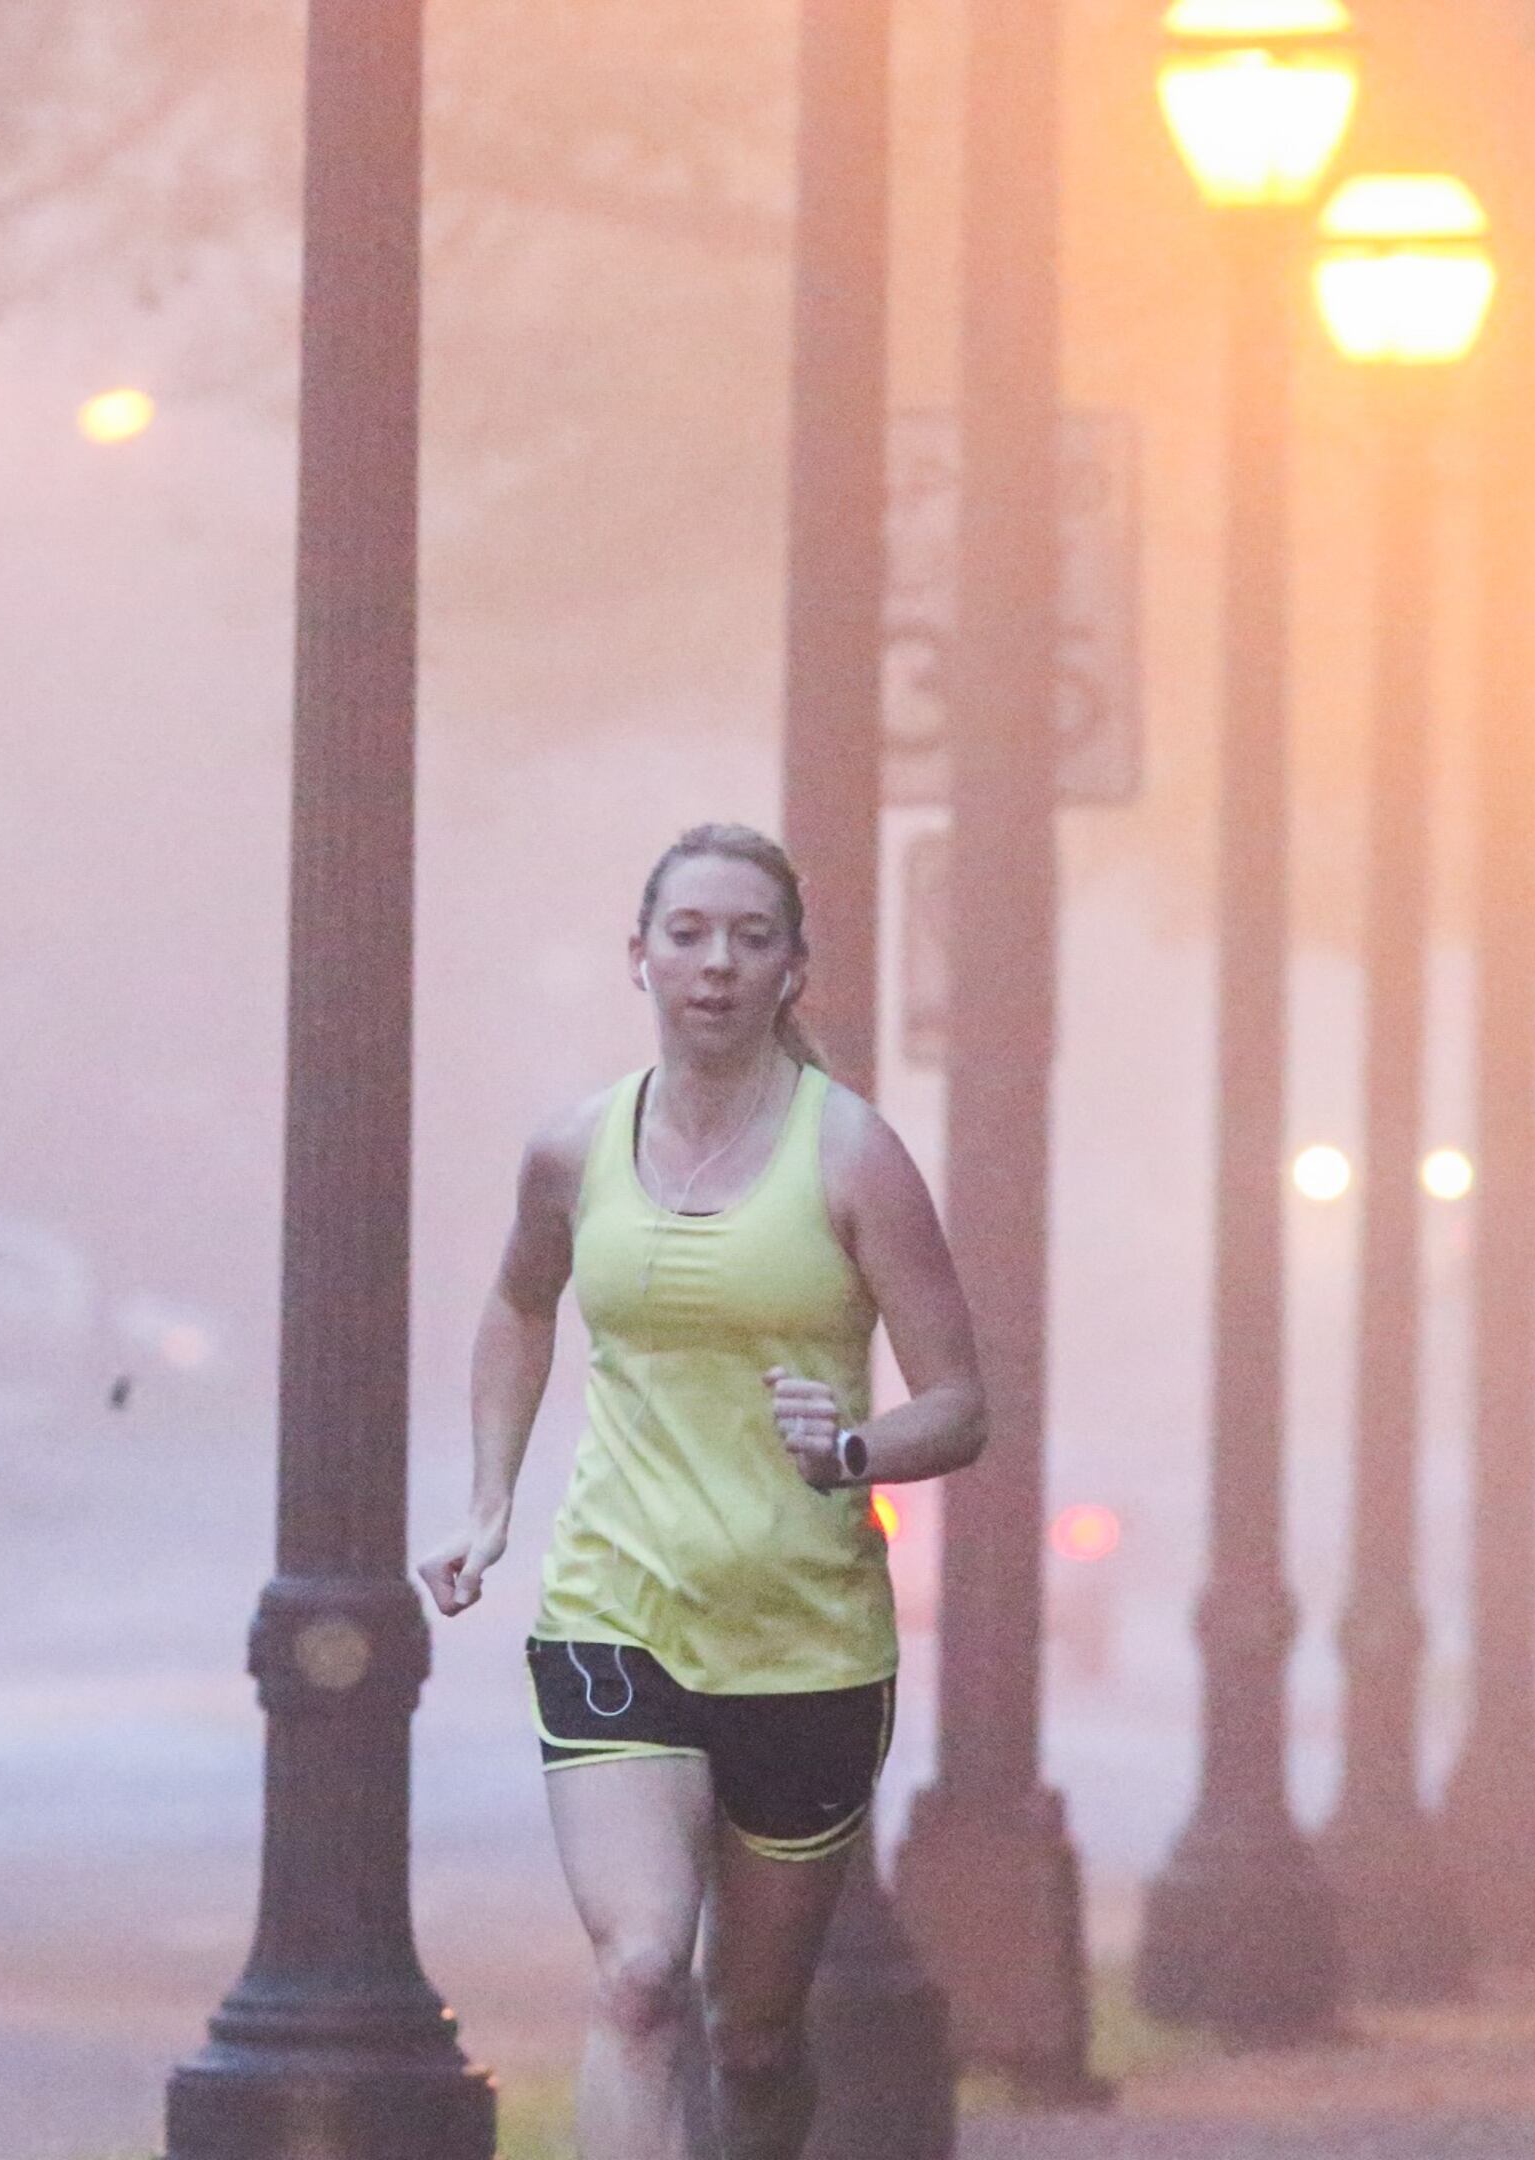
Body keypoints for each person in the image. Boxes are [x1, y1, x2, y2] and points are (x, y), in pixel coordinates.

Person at [417, 822, 984, 2160]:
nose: (715, 964)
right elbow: (518, 1302)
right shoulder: (574, 1150)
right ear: (641, 959)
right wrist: (492, 1498)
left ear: (794, 968)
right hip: (617, 1608)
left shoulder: (851, 1157)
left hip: (804, 1642)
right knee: (638, 1973)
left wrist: (848, 1451)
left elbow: (962, 1404)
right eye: (687, 935)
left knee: (756, 2035)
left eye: (749, 938)